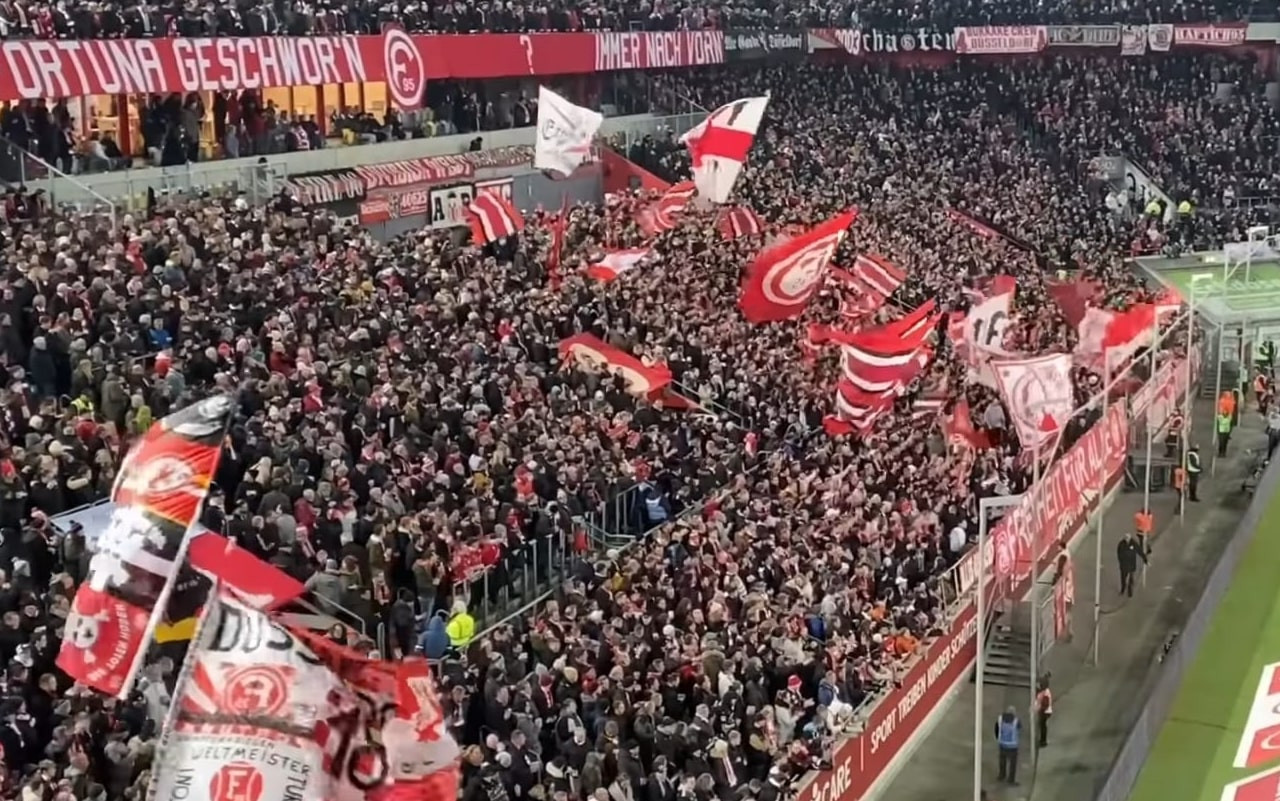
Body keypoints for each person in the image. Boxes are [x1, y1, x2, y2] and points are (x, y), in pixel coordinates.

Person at [994, 705, 1021, 784]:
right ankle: (1011, 779)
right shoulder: (1016, 721)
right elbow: (1019, 728)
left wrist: (998, 739)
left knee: (1002, 761)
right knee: (1012, 764)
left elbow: (996, 728)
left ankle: (1002, 775)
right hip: (1013, 746)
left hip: (1002, 744)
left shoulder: (1000, 718)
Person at [1117, 530, 1147, 598]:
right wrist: (1121, 561)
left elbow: (1139, 551)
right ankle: (1123, 589)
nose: (1127, 539)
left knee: (1131, 579)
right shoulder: (1121, 544)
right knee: (1123, 578)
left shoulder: (1133, 543)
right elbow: (1118, 553)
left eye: (1128, 538)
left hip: (1131, 564)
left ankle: (1130, 592)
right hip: (1124, 565)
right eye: (1126, 538)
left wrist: (1145, 559)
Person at [1035, 676, 1053, 749]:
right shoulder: (1044, 691)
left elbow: (1045, 704)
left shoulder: (1045, 694)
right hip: (1045, 711)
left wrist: (1040, 709)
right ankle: (1042, 740)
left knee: (1042, 726)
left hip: (1045, 712)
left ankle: (1043, 741)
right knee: (1042, 726)